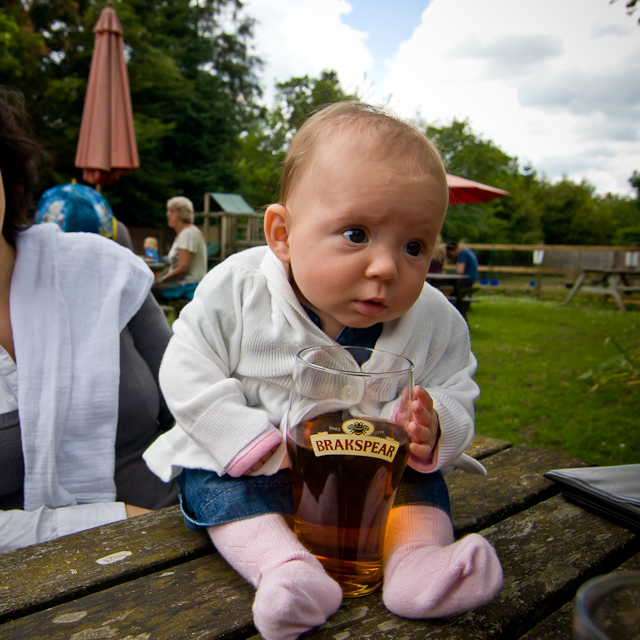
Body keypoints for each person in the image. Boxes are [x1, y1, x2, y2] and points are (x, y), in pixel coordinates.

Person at [144, 102, 503, 640]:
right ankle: (284, 570)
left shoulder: (435, 320)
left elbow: (456, 386)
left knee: (415, 485)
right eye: (356, 234)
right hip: (260, 467)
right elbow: (186, 363)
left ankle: (417, 564)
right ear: (283, 233)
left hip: (370, 485)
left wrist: (437, 426)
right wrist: (240, 439)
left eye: (414, 246)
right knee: (216, 487)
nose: (386, 267)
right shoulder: (238, 291)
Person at [0, 88, 179, 553]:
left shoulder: (104, 270)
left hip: (187, 533)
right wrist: (109, 520)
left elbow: (195, 404)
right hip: (39, 597)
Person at [154, 196, 207, 300]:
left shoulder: (187, 233)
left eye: (172, 212)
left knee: (150, 291)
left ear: (182, 214)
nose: (168, 214)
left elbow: (183, 268)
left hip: (189, 286)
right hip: (185, 285)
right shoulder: (184, 233)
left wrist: (162, 280)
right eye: (168, 211)